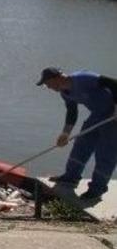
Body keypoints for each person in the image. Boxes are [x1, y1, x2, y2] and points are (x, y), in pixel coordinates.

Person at [38, 67, 117, 200]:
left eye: (48, 84)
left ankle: (97, 189)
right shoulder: (65, 92)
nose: (49, 87)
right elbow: (72, 112)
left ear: (57, 78)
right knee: (81, 145)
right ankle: (71, 178)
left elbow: (114, 83)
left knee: (105, 154)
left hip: (113, 117)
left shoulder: (83, 78)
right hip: (97, 115)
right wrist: (65, 134)